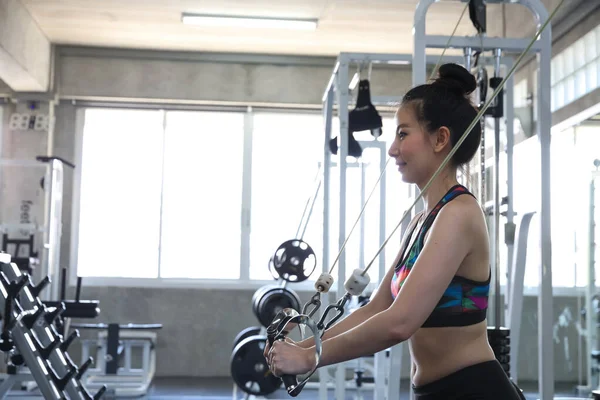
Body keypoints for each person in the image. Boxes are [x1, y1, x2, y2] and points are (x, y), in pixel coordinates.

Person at [264, 63, 524, 399]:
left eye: (403, 133)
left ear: (440, 139)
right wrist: (303, 344)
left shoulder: (459, 214)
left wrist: (308, 358)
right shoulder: (421, 221)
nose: (393, 149)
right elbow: (377, 308)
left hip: (472, 389)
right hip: (434, 391)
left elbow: (400, 323)